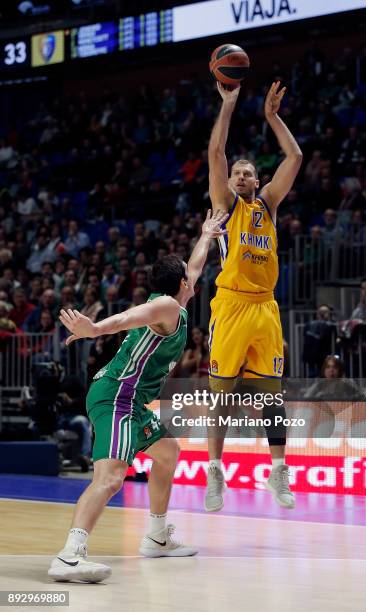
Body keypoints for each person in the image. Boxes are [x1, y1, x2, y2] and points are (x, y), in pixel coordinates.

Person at [48, 209, 228, 583]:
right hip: (116, 397)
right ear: (181, 283)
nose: (193, 278)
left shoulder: (175, 301)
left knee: (167, 452)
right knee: (111, 478)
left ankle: (158, 537)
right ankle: (70, 555)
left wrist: (206, 236)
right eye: (188, 277)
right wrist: (95, 328)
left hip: (129, 400)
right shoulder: (164, 306)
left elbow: (193, 267)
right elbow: (129, 316)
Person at [205, 81, 302, 512]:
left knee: (272, 397)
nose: (241, 176)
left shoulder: (268, 207)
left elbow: (295, 157)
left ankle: (278, 472)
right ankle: (214, 471)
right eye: (236, 172)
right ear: (229, 182)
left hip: (265, 307)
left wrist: (272, 117)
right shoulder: (227, 206)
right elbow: (216, 154)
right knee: (222, 395)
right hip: (230, 305)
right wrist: (228, 107)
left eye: (248, 172)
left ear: (257, 181)